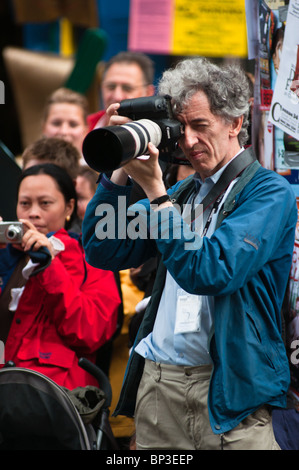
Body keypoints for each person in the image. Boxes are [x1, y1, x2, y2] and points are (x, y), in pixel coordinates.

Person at [82, 57, 298, 450]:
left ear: (235, 123)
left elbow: (212, 271)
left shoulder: (268, 193)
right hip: (160, 386)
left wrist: (158, 197)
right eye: (182, 129)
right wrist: (119, 170)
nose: (190, 142)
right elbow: (103, 247)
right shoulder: (183, 194)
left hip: (231, 395)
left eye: (201, 126)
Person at [0, 163, 120, 390]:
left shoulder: (91, 260)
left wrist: (49, 266)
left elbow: (90, 333)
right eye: (24, 203)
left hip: (56, 401)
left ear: (68, 208)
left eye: (45, 203)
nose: (33, 212)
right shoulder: (6, 255)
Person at [87, 51, 155, 131]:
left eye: (127, 88)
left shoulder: (158, 133)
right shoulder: (82, 127)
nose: (117, 96)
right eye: (111, 87)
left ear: (148, 93)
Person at [41, 87, 89, 156]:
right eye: (56, 123)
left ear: (85, 131)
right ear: (44, 127)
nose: (64, 132)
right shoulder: (27, 166)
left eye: (73, 125)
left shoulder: (96, 166)